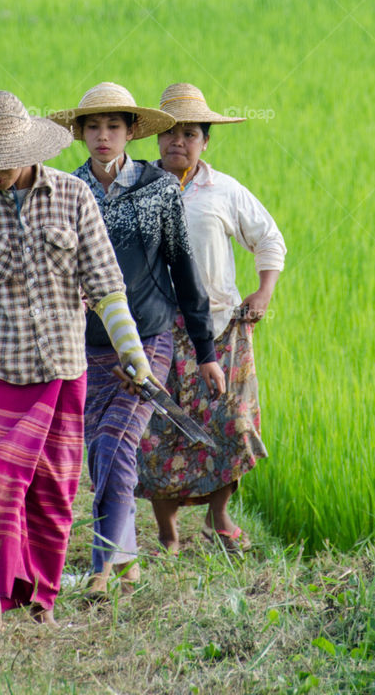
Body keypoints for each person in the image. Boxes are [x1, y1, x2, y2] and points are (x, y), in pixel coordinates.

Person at [0, 90, 156, 633]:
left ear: (27, 149)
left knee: (53, 487)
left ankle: (39, 600)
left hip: (59, 367)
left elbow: (105, 283)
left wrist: (132, 351)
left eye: (1, 158)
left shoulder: (74, 198)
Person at [48, 83, 225, 594]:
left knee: (116, 445)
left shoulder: (158, 189)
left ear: (130, 132)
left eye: (114, 127)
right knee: (102, 455)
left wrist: (207, 352)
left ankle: (102, 568)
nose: (103, 137)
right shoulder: (66, 189)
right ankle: (127, 563)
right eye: (93, 127)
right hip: (85, 345)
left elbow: (183, 270)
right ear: (80, 133)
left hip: (148, 338)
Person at [136, 83, 286, 554]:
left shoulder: (224, 191)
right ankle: (167, 531)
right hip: (157, 329)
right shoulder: (137, 189)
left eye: (190, 134)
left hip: (222, 328)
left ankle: (218, 519)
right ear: (156, 139)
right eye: (170, 133)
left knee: (231, 423)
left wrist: (263, 292)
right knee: (158, 428)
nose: (178, 141)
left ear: (205, 141)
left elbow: (270, 240)